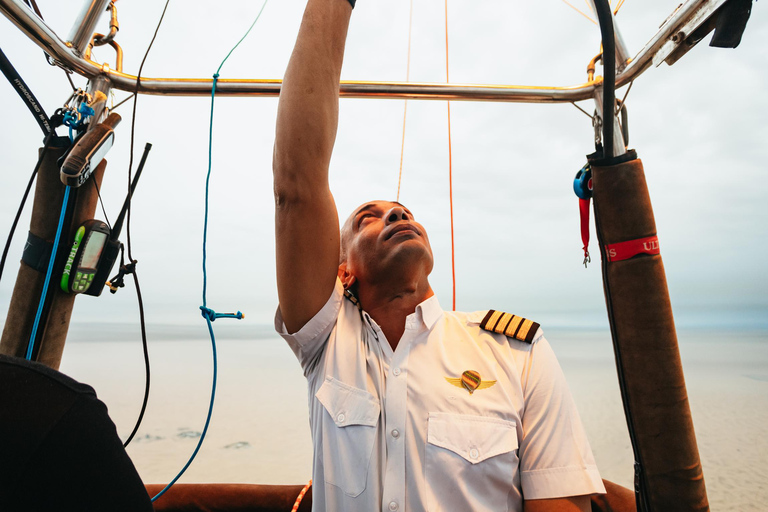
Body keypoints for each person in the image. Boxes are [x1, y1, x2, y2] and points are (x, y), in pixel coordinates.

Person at [272, 0, 606, 510]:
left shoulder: (517, 354)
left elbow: (560, 503)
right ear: (343, 272)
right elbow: (297, 183)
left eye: (403, 211)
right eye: (369, 217)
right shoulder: (327, 340)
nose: (396, 217)